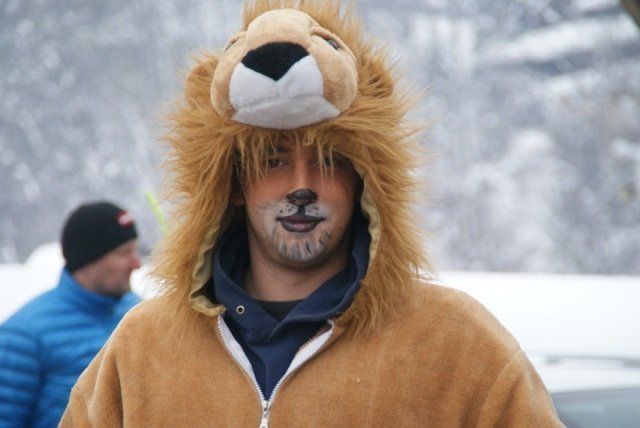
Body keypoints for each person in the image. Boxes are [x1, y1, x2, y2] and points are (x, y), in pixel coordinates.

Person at [61, 1, 563, 426]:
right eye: (272, 160)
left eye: (328, 160)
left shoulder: (455, 343)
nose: (301, 188)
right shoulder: (142, 349)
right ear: (233, 185)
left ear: (363, 181)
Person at [0, 201, 141, 427]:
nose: (137, 263)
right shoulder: (22, 336)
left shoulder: (139, 315)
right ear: (88, 260)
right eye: (124, 253)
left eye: (136, 250)